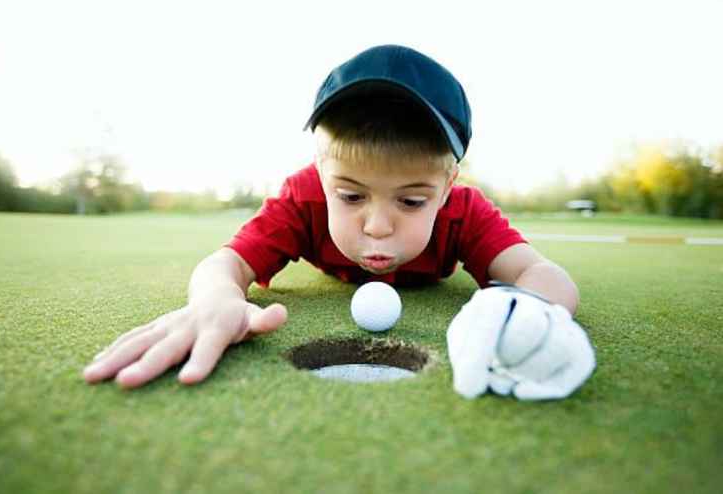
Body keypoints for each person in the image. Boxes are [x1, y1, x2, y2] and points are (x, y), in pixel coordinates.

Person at [83, 45, 594, 399]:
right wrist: (215, 299)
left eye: (412, 202)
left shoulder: (464, 211)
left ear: (447, 183)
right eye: (350, 195)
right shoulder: (301, 197)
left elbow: (548, 277)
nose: (376, 226)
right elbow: (227, 265)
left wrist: (526, 312)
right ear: (322, 172)